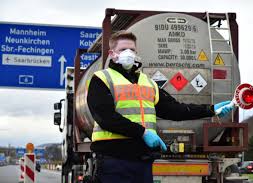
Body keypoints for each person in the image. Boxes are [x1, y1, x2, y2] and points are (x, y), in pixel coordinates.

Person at [87, 30, 233, 183]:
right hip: (113, 160)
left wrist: (211, 110)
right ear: (112, 53)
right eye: (123, 50)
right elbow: (105, 118)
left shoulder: (148, 82)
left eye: (132, 50)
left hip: (143, 161)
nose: (129, 53)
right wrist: (143, 133)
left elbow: (175, 110)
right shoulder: (101, 79)